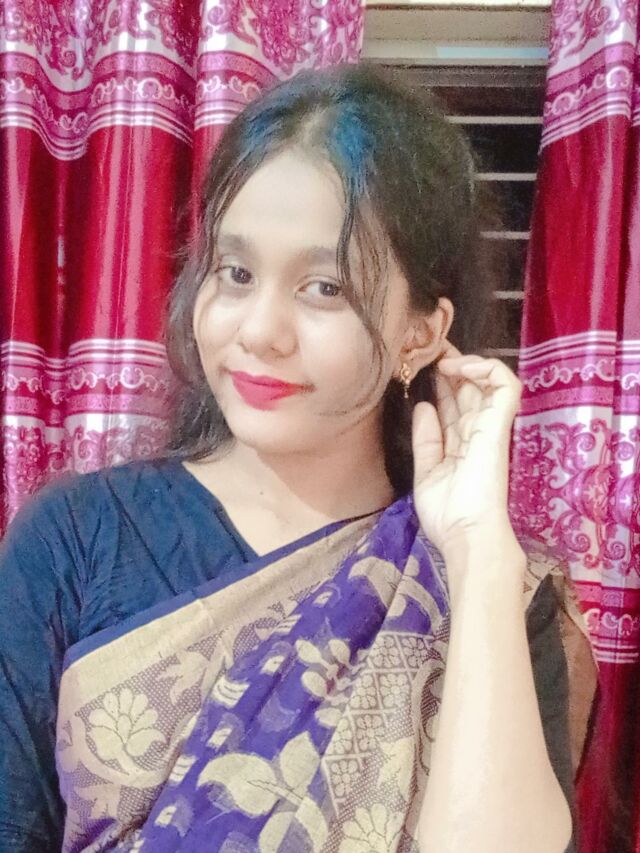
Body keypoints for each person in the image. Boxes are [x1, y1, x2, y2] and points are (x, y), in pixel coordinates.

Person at [0, 64, 596, 853]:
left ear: (419, 333)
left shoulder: (489, 593)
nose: (259, 331)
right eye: (236, 273)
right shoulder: (77, 541)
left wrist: (478, 549)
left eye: (324, 287)